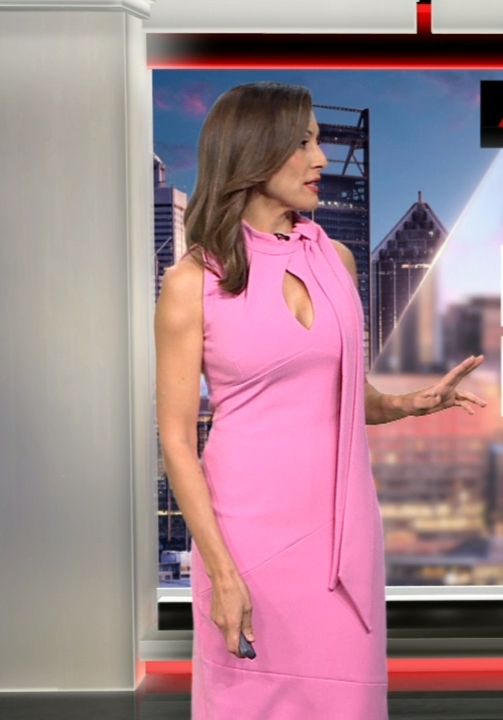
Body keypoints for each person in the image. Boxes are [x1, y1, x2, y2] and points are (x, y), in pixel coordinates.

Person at [154, 81, 487, 719]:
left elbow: (345, 396)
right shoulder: (191, 282)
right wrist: (221, 571)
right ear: (255, 151)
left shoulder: (336, 260)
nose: (321, 159)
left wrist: (411, 404)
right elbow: (175, 440)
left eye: (319, 141)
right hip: (245, 542)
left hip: (343, 538)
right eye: (303, 143)